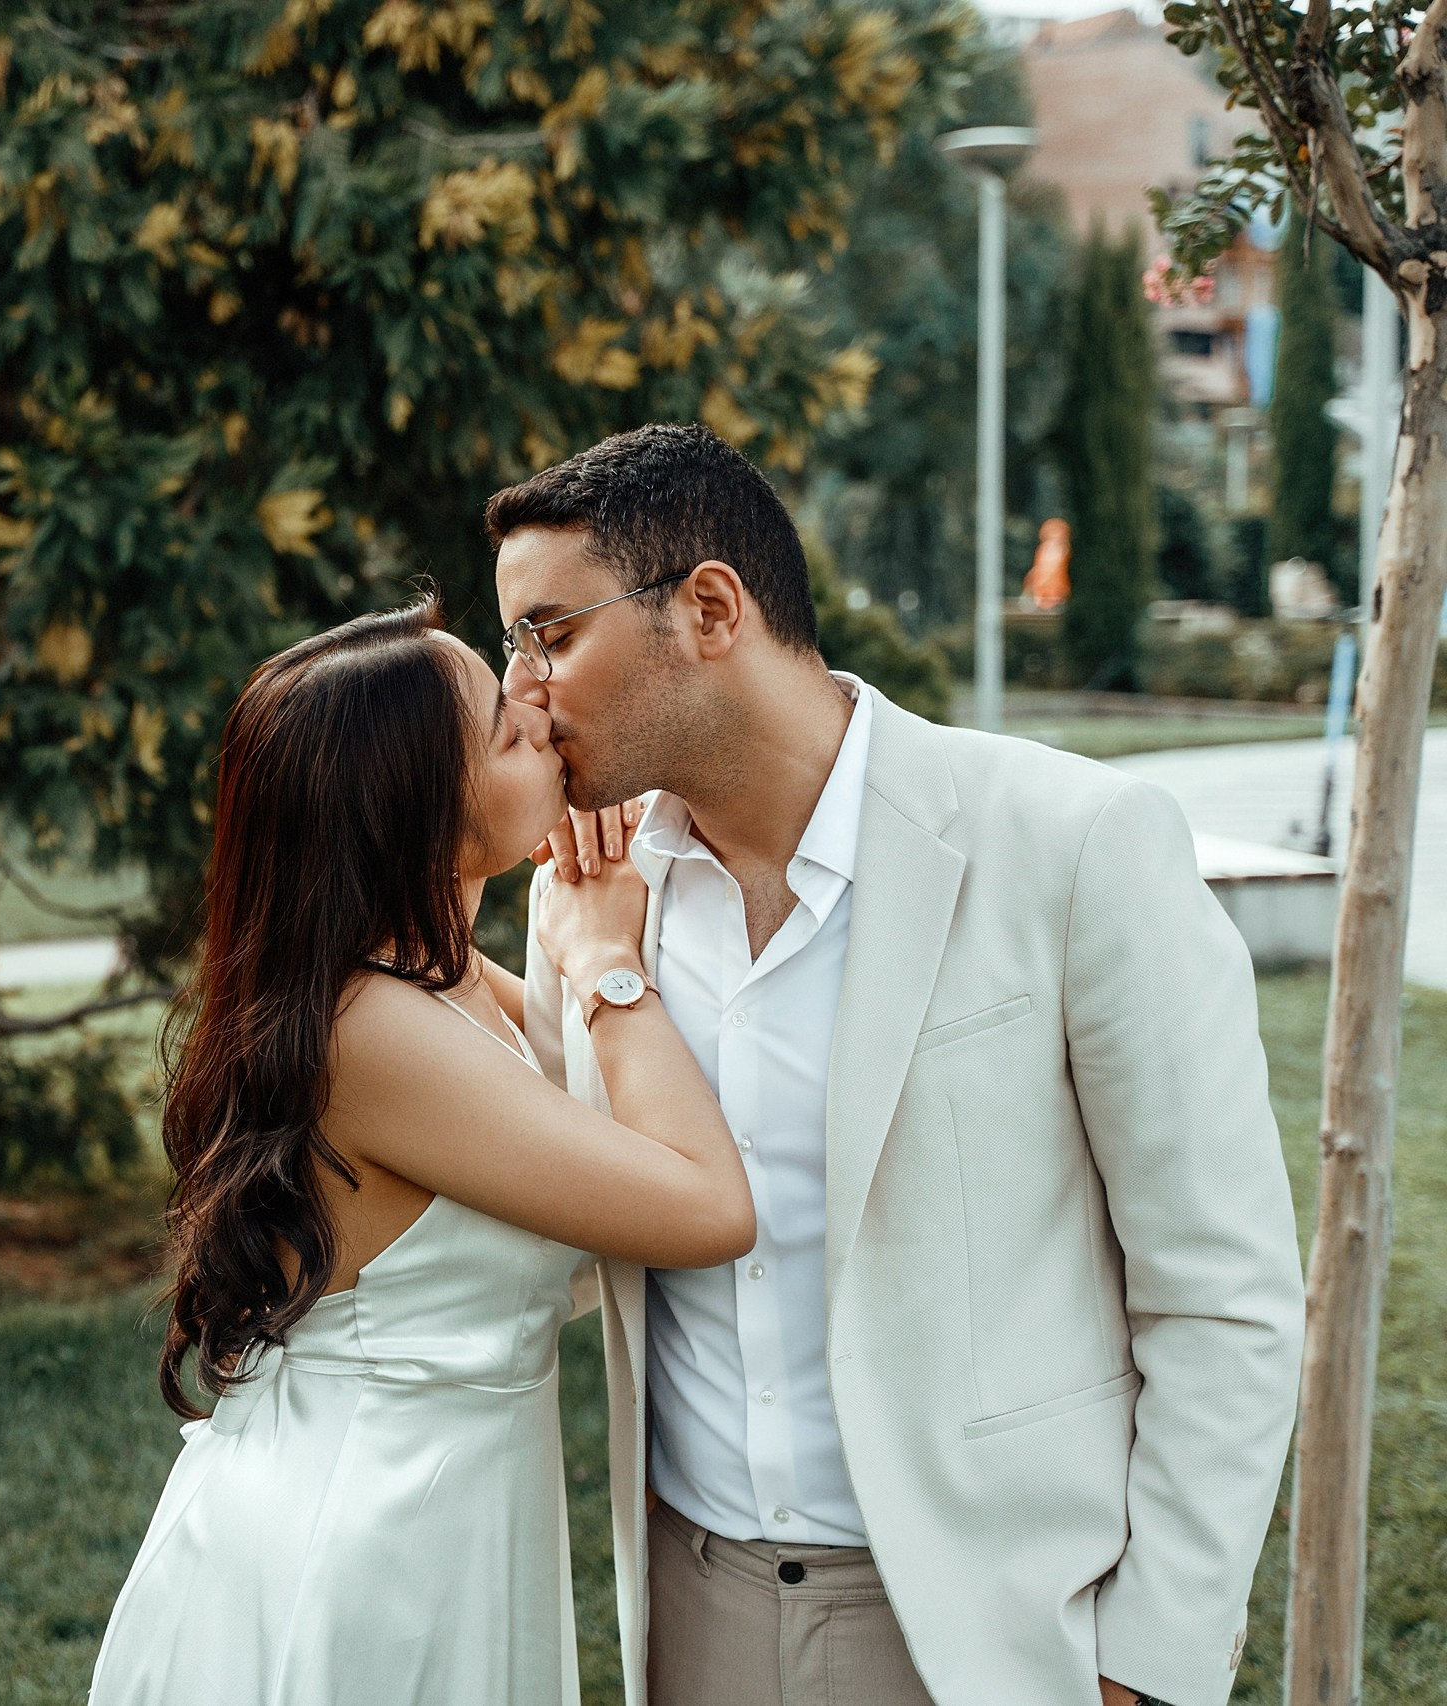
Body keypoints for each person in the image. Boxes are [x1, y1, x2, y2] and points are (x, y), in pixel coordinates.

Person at [495, 424, 1305, 1706]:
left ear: (709, 608)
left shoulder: (1075, 842)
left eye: (548, 634)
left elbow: (1225, 1295)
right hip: (687, 1614)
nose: (522, 689)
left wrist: (1149, 1661)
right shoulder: (591, 901)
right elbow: (567, 1217)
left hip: (988, 1633)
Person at [87, 597, 756, 1706]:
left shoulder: (436, 986)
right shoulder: (373, 1031)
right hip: (360, 1547)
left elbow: (602, 1148)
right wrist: (602, 962)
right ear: (410, 812)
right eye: (504, 723)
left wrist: (594, 879)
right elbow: (702, 1205)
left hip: (438, 1511)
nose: (541, 709)